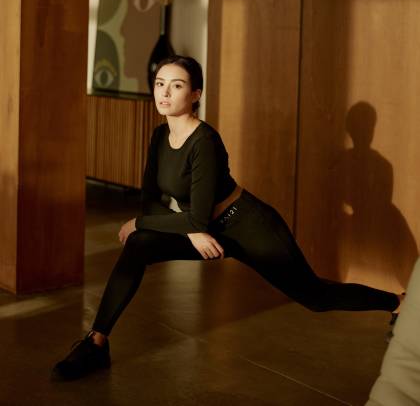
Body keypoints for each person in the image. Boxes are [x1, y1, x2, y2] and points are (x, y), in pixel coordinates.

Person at [52, 55, 403, 381]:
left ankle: (396, 302)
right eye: (160, 83)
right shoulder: (159, 136)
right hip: (206, 230)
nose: (165, 92)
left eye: (176, 85)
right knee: (139, 244)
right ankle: (96, 341)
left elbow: (186, 217)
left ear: (195, 94)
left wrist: (163, 224)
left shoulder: (205, 141)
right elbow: (151, 204)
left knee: (315, 297)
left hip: (249, 226)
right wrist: (189, 230)